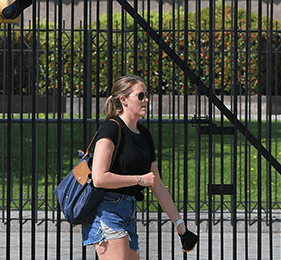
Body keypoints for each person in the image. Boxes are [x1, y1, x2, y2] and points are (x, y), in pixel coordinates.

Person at [82, 75, 197, 259]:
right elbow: (99, 178)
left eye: (147, 95)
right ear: (124, 99)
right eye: (141, 96)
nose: (146, 100)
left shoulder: (144, 134)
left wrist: (181, 226)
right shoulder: (111, 129)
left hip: (129, 211)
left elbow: (156, 184)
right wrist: (139, 179)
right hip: (107, 210)